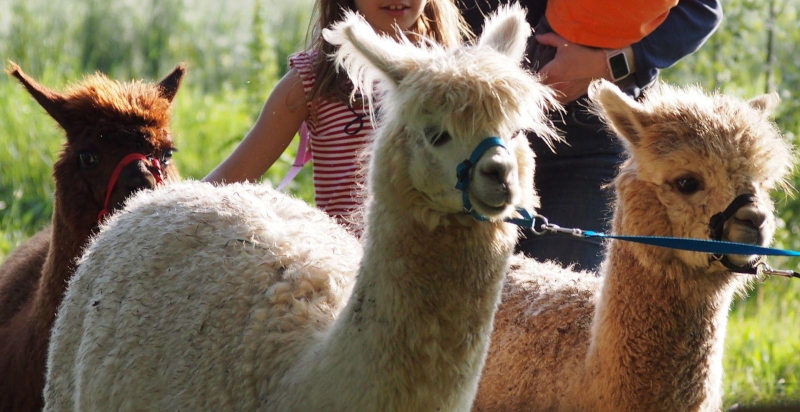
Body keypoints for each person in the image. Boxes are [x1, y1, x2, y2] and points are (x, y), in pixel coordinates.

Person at [460, 0, 723, 271]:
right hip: (468, 132)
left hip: (585, 145)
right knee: (464, 291)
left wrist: (611, 64)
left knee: (557, 299)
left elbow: (701, 11)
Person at [204, 0, 471, 234]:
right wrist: (170, 210)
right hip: (343, 275)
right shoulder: (313, 80)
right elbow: (229, 178)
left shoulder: (461, 80)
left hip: (434, 274)